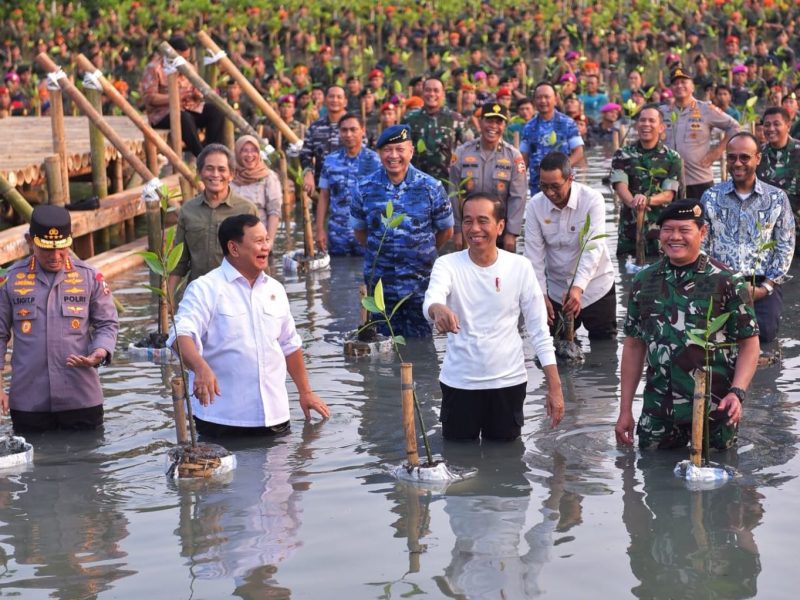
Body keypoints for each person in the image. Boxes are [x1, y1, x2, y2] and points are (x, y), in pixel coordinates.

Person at [615, 200, 759, 450]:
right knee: (653, 478)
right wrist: (625, 409)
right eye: (668, 230)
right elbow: (634, 346)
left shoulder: (727, 280)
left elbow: (750, 343)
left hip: (715, 408)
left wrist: (737, 392)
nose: (675, 237)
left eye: (684, 230)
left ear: (702, 232)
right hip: (658, 410)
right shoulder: (643, 281)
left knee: (720, 481)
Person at [169, 214, 329, 437]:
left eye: (267, 240)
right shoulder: (205, 289)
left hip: (276, 417)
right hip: (223, 420)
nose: (266, 247)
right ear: (234, 248)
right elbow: (179, 335)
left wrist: (306, 392)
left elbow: (289, 344)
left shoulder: (275, 289)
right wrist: (200, 367)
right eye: (258, 241)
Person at [423, 193, 564, 441]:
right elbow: (431, 301)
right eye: (467, 221)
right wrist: (438, 309)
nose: (474, 229)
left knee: (506, 463)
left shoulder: (519, 267)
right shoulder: (447, 265)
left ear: (500, 226)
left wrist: (555, 386)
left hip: (508, 384)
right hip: (460, 384)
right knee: (458, 458)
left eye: (482, 221)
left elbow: (539, 330)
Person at [0, 205, 118, 432]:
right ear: (30, 241)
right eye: (46, 250)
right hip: (28, 400)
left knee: (88, 463)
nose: (55, 257)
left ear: (70, 241)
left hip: (81, 396)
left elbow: (107, 323)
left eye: (62, 248)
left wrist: (99, 352)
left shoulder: (90, 277)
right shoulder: (11, 280)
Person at [351, 125, 454, 338]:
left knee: (423, 348)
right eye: (387, 150)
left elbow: (446, 230)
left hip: (420, 285)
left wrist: (421, 252)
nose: (394, 156)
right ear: (379, 153)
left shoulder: (430, 187)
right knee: (381, 348)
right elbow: (361, 233)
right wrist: (384, 252)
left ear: (411, 151)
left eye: (400, 149)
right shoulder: (364, 188)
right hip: (380, 286)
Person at [702, 132, 795, 343]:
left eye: (744, 157)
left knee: (765, 335)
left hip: (763, 281)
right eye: (732, 157)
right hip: (720, 283)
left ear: (758, 159)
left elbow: (785, 246)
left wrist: (765, 288)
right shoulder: (711, 197)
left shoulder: (777, 198)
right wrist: (712, 283)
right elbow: (703, 246)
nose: (737, 163)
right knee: (719, 340)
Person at [524, 152, 616, 340]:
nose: (549, 193)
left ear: (570, 179)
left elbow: (593, 246)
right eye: (544, 186)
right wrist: (540, 294)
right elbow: (533, 255)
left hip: (595, 288)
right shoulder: (535, 206)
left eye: (555, 186)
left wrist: (578, 287)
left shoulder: (592, 200)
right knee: (556, 349)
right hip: (556, 291)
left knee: (604, 345)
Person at [169, 144, 257, 296]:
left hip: (237, 295)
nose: (215, 174)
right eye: (209, 168)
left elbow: (258, 258)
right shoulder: (188, 211)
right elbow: (179, 262)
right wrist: (166, 303)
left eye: (222, 169)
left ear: (231, 174)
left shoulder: (246, 210)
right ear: (200, 173)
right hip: (199, 295)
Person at [449, 102, 527, 252]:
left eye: (499, 122)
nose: (493, 126)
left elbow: (518, 197)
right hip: (471, 230)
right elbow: (453, 193)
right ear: (480, 122)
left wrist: (512, 233)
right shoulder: (462, 153)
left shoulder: (513, 156)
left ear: (504, 126)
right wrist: (458, 230)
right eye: (489, 121)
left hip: (500, 231)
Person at [610, 103, 682, 258]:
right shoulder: (622, 154)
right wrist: (634, 202)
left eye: (651, 121)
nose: (646, 124)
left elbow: (669, 194)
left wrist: (646, 200)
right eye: (642, 120)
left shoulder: (672, 157)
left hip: (661, 230)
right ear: (637, 125)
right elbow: (620, 186)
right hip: (629, 229)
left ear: (661, 127)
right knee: (627, 275)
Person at [662, 65, 740, 199]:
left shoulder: (706, 109)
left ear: (692, 87)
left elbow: (735, 127)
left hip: (699, 180)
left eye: (683, 82)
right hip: (669, 183)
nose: (679, 86)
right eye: (675, 83)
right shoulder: (663, 111)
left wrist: (716, 152)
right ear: (671, 88)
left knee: (703, 219)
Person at [140, 36, 225, 157]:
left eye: (187, 58)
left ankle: (213, 152)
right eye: (182, 58)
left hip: (190, 108)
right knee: (184, 117)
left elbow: (197, 92)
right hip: (163, 114)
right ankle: (201, 156)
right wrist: (175, 97)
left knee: (215, 111)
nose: (184, 61)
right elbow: (150, 98)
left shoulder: (189, 67)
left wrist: (198, 95)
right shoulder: (154, 68)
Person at [315, 113, 381, 256]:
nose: (348, 134)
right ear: (339, 133)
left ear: (362, 130)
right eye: (344, 130)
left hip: (367, 234)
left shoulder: (375, 161)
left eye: (353, 129)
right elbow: (324, 196)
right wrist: (319, 229)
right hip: (337, 234)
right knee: (337, 274)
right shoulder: (330, 161)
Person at [520, 82, 584, 196]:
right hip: (537, 186)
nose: (543, 101)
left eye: (546, 97)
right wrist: (517, 179)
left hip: (563, 185)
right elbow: (523, 158)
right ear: (534, 101)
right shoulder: (529, 127)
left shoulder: (567, 123)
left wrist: (561, 169)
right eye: (539, 97)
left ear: (555, 99)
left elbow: (578, 152)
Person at [401, 77, 466, 183]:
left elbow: (470, 145)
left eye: (436, 90)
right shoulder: (409, 119)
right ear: (422, 93)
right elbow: (400, 148)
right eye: (428, 90)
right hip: (415, 182)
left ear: (443, 94)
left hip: (446, 183)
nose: (431, 94)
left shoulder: (455, 119)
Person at [757, 106, 800, 239]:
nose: (770, 129)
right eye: (767, 125)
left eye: (776, 124)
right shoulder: (757, 155)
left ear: (788, 125)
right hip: (766, 233)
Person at [230, 135, 282, 245]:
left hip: (259, 239)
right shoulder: (230, 176)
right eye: (244, 150)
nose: (249, 155)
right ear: (237, 153)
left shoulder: (268, 177)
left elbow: (274, 210)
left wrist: (269, 241)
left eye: (254, 150)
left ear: (259, 153)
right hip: (233, 238)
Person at [300, 85, 347, 197]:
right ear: (325, 100)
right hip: (322, 190)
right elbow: (305, 155)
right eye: (331, 96)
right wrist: (308, 172)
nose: (335, 100)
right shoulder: (315, 127)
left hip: (349, 191)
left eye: (339, 97)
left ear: (345, 101)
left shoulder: (354, 126)